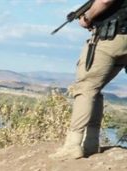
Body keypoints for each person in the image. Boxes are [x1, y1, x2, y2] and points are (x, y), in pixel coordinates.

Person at [52, 0, 127, 160]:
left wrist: (87, 17)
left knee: (85, 88)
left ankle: (73, 144)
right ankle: (91, 142)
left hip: (111, 37)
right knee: (95, 88)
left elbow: (105, 0)